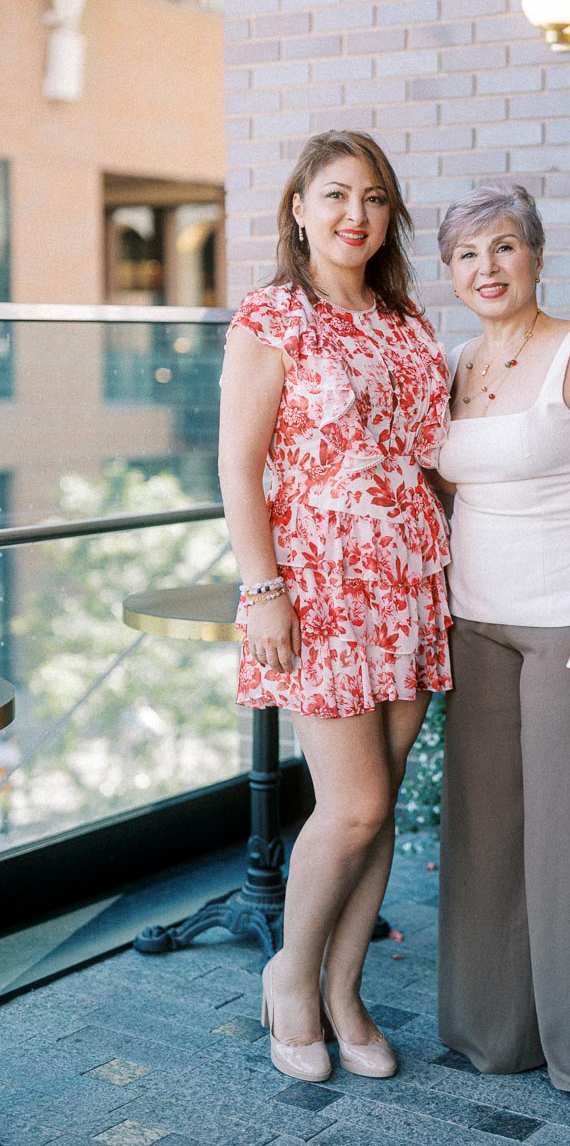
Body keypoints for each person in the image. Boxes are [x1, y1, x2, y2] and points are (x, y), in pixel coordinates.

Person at [218, 130, 452, 1084]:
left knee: (379, 801)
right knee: (351, 805)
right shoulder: (272, 318)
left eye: (375, 199)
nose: (356, 215)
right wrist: (264, 587)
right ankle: (288, 974)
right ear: (299, 210)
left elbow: (437, 460)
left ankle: (346, 988)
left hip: (410, 577)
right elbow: (237, 467)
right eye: (336, 196)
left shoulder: (407, 321)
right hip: (319, 581)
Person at [434, 183, 570, 1129]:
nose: (487, 269)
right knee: (485, 840)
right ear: (450, 273)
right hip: (477, 625)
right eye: (466, 255)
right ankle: (496, 1033)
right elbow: (446, 497)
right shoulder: (452, 365)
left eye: (504, 248)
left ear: (536, 255)